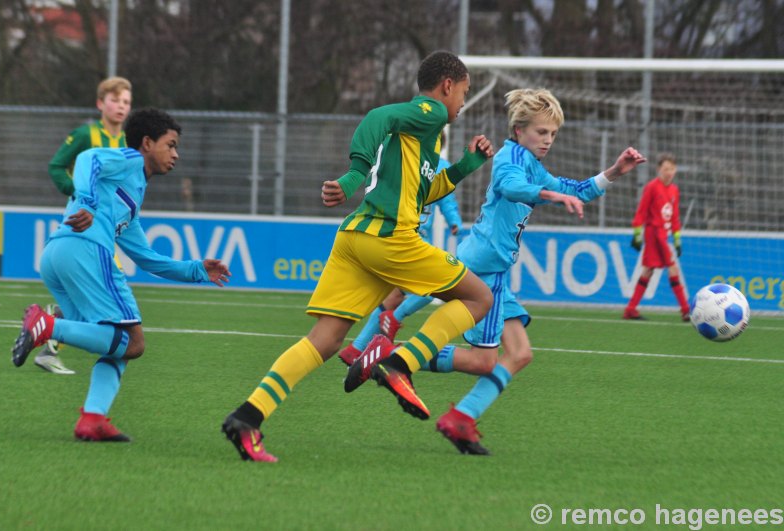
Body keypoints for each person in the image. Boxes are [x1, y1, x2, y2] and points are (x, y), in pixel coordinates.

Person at [221, 50, 495, 463]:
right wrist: (352, 175)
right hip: (390, 238)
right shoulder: (431, 112)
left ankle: (248, 416)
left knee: (325, 340)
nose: (462, 103)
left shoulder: (424, 135)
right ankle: (400, 364)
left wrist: (468, 165)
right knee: (479, 298)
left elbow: (426, 191)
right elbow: (375, 118)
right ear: (447, 86)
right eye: (464, 93)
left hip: (355, 238)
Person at [353, 88, 646, 455]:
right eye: (542, 132)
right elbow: (511, 187)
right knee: (483, 360)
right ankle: (392, 357)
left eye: (553, 134)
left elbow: (576, 188)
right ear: (519, 129)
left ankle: (461, 416)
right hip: (484, 269)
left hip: (494, 271)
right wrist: (552, 196)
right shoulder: (509, 157)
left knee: (520, 353)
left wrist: (615, 171)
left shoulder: (532, 164)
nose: (548, 141)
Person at [11, 108, 231, 442]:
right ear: (146, 143)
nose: (176, 154)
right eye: (170, 145)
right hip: (86, 252)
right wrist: (85, 200)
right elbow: (87, 159)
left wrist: (197, 270)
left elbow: (146, 257)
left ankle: (92, 418)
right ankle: (47, 326)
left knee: (117, 345)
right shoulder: (129, 160)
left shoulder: (131, 192)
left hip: (57, 256)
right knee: (133, 342)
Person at [34, 76, 133, 375]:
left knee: (97, 300)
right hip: (84, 228)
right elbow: (56, 166)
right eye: (115, 100)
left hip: (104, 229)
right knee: (110, 300)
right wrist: (76, 192)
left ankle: (51, 330)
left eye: (126, 102)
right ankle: (52, 336)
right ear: (100, 104)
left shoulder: (126, 143)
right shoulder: (85, 135)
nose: (120, 107)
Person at [337, 154, 463, 366]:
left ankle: (356, 348)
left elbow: (446, 198)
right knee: (433, 286)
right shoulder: (405, 156)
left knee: (395, 294)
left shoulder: (437, 165)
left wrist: (453, 220)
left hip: (410, 237)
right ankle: (393, 319)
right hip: (406, 238)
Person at [623, 153, 690, 321]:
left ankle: (630, 309)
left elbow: (674, 216)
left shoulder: (674, 190)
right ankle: (686, 310)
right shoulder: (652, 187)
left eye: (672, 169)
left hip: (664, 235)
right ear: (659, 169)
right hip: (654, 234)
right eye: (666, 168)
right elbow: (642, 210)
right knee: (672, 268)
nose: (669, 172)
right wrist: (637, 234)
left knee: (648, 270)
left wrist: (677, 238)